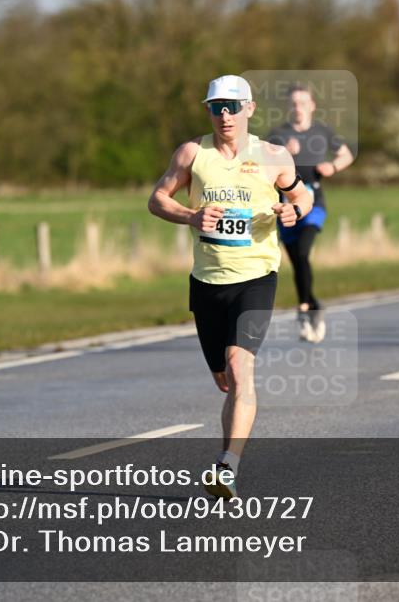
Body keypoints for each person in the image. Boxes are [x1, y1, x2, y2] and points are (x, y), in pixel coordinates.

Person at [147, 75, 313, 498]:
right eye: (217, 107)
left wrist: (293, 211)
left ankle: (227, 467)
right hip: (207, 281)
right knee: (224, 377)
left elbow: (303, 196)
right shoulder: (192, 153)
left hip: (256, 276)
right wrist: (190, 216)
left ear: (249, 109)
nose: (225, 115)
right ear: (209, 110)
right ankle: (227, 457)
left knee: (240, 368)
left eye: (233, 107)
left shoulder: (273, 155)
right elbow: (157, 199)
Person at [266, 84, 355, 342]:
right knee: (298, 262)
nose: (298, 108)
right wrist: (284, 154)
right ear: (288, 106)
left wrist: (332, 167)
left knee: (304, 252)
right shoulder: (278, 135)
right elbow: (262, 166)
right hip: (286, 207)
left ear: (312, 106)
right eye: (294, 103)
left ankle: (304, 308)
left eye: (303, 103)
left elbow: (346, 155)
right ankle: (313, 304)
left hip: (314, 204)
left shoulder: (322, 131)